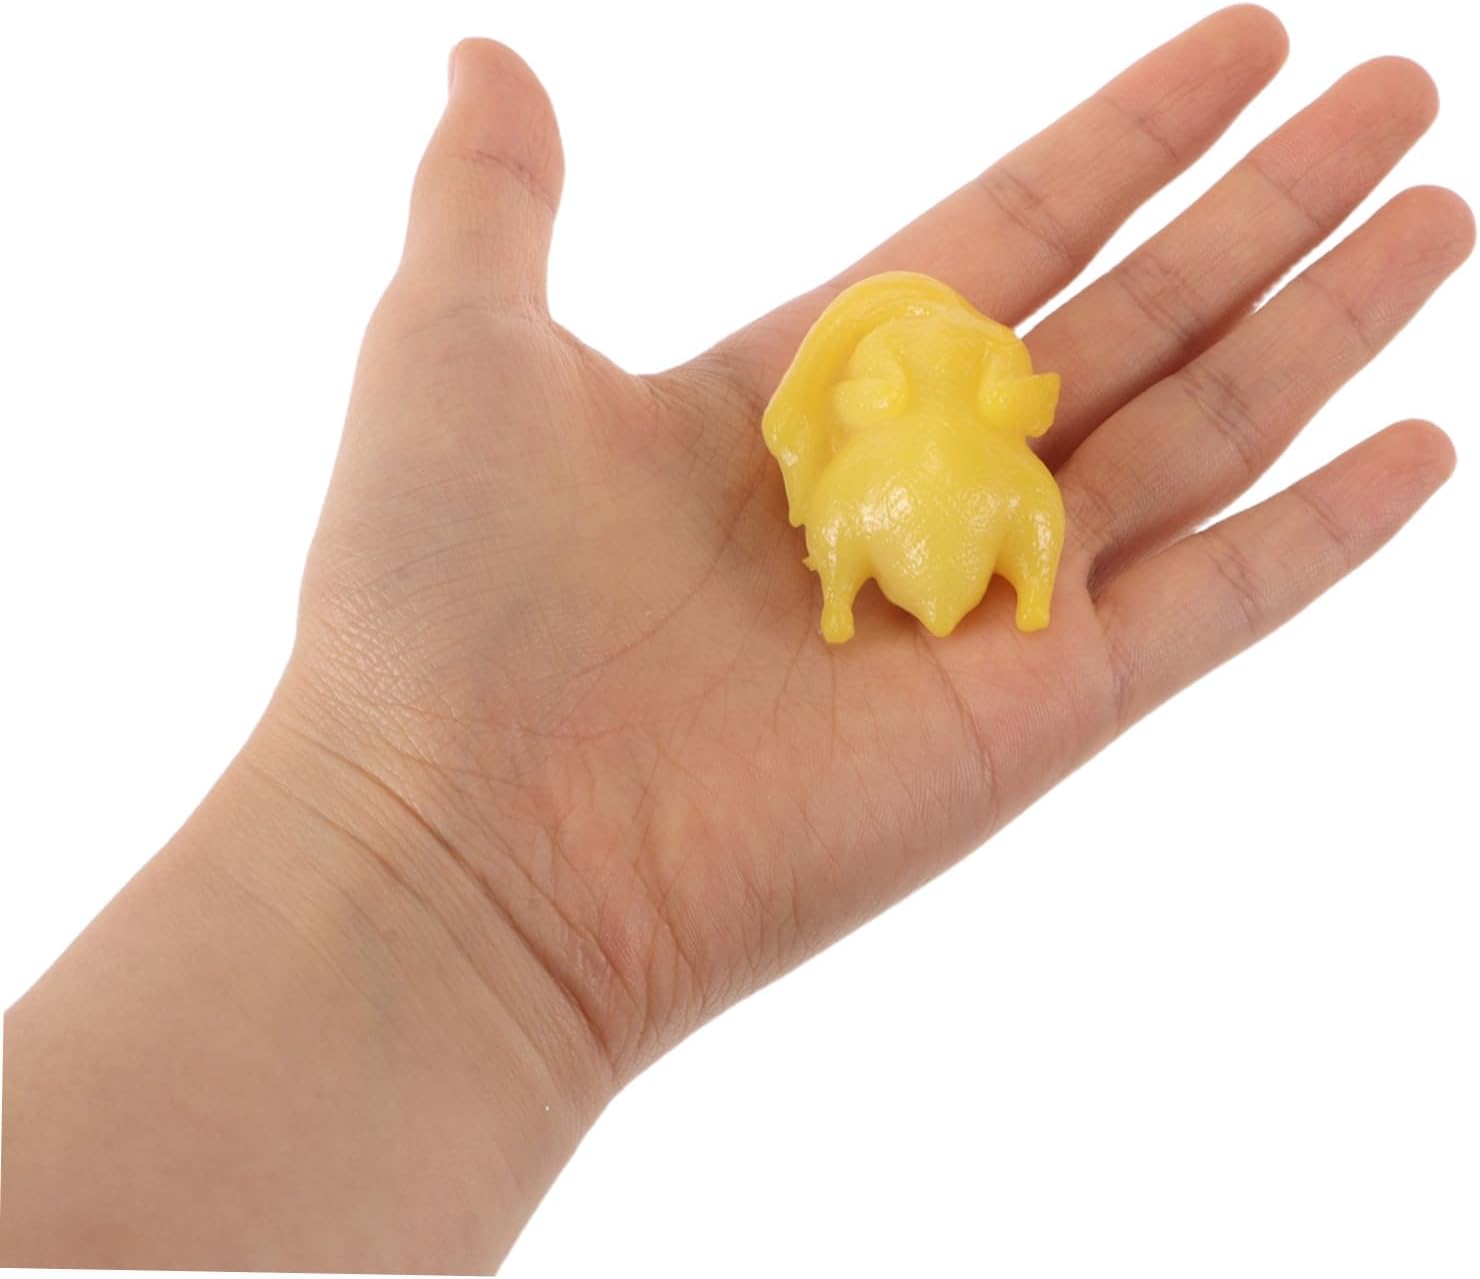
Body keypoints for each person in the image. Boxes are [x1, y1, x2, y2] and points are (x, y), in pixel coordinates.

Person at [0, 7, 1470, 1270]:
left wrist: (448, 895)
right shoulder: (866, 456)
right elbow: (863, 484)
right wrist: (447, 868)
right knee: (919, 535)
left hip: (943, 512)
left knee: (979, 532)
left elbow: (1009, 480)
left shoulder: (993, 464)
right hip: (894, 514)